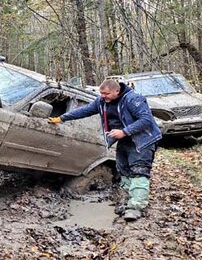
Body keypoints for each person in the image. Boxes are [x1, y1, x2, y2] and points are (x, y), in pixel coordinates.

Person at [48, 79, 161, 221]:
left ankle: (136, 207)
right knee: (123, 170)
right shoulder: (101, 101)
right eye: (101, 94)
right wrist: (62, 118)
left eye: (106, 94)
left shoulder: (133, 99)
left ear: (116, 91)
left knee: (139, 171)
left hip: (143, 139)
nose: (103, 96)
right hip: (124, 140)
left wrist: (124, 131)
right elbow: (85, 110)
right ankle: (127, 201)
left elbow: (146, 120)